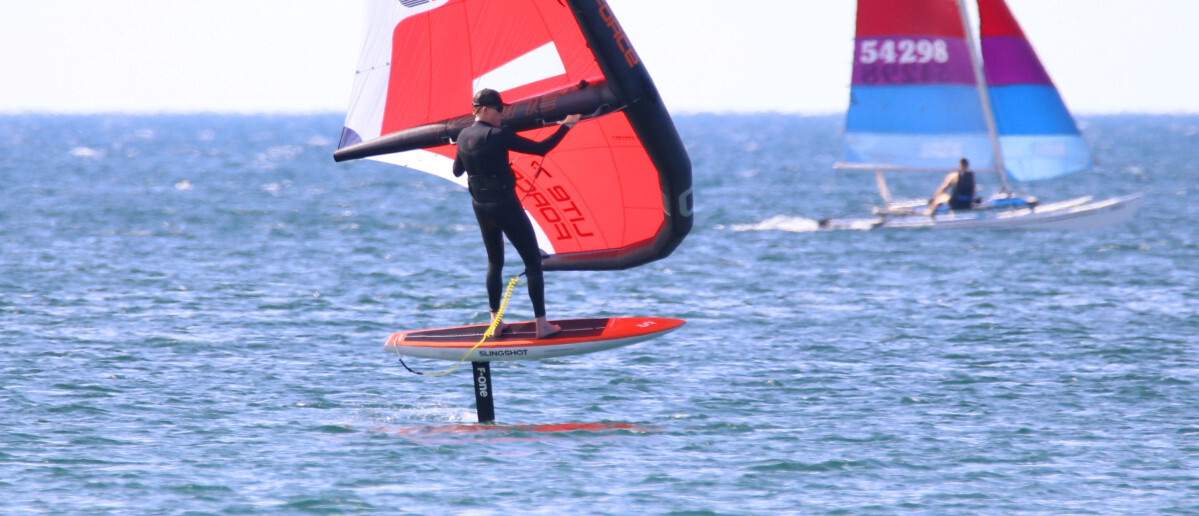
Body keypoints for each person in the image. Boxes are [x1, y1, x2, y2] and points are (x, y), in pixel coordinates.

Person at [452, 88, 581, 339]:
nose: (503, 114)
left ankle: (495, 323)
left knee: (494, 262)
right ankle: (541, 326)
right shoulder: (500, 135)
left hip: (481, 208)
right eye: (500, 109)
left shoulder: (463, 135)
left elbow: (457, 171)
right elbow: (542, 148)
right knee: (533, 262)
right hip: (505, 206)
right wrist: (567, 126)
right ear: (486, 110)